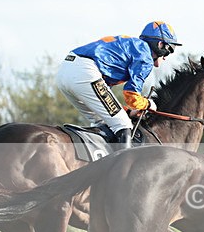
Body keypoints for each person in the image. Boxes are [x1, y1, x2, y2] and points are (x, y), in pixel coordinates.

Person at [56, 21, 181, 149]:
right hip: (84, 72)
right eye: (169, 51)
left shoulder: (133, 47)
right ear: (160, 45)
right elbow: (131, 96)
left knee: (104, 121)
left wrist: (128, 111)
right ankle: (122, 167)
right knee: (123, 124)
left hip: (65, 71)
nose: (166, 57)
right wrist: (148, 104)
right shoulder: (145, 56)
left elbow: (105, 97)